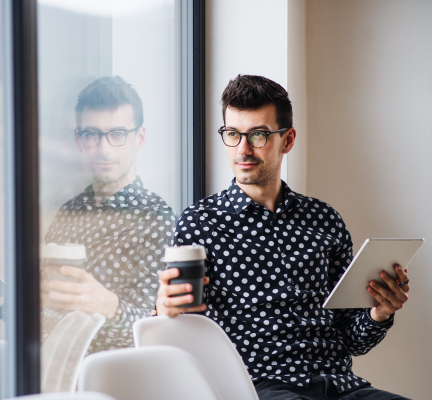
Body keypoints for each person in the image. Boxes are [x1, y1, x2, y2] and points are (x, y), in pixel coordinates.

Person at [156, 75, 411, 399]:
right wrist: (165, 313)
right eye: (233, 134)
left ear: (287, 140)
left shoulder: (324, 219)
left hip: (343, 387)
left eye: (258, 135)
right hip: (260, 388)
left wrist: (379, 313)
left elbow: (352, 340)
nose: (243, 149)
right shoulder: (200, 224)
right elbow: (184, 332)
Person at [40, 76, 177, 353]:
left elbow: (158, 331)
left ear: (139, 138)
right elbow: (47, 311)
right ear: (79, 140)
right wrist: (3, 303)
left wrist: (108, 307)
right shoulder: (68, 212)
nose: (103, 148)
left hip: (110, 374)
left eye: (117, 134)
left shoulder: (157, 220)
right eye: (92, 135)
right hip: (51, 360)